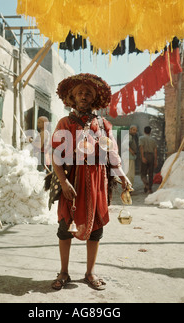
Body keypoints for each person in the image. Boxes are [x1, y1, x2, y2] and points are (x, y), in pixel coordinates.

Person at [51, 73, 129, 291]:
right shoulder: (65, 123)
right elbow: (55, 156)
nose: (83, 96)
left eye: (88, 93)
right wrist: (64, 183)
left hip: (97, 181)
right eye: (79, 93)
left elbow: (112, 153)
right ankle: (64, 272)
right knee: (65, 226)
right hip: (73, 180)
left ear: (94, 99)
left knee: (96, 229)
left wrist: (122, 175)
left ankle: (89, 272)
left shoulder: (103, 125)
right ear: (72, 98)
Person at [139, 126, 158, 194]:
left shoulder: (141, 138)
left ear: (144, 131)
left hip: (145, 155)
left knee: (143, 173)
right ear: (150, 132)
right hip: (151, 156)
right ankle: (149, 188)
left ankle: (146, 183)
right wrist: (155, 160)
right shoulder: (153, 140)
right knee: (150, 173)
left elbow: (141, 147)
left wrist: (143, 157)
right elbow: (155, 151)